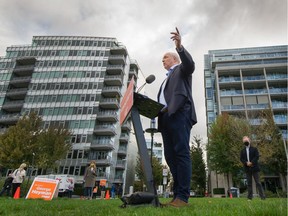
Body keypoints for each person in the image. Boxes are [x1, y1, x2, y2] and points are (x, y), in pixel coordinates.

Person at [157, 27, 197, 207]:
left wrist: (180, 46)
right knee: (170, 157)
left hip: (180, 114)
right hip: (165, 118)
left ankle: (183, 197)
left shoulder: (181, 69)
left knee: (181, 153)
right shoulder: (165, 78)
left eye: (165, 57)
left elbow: (190, 65)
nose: (162, 60)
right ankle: (176, 197)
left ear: (174, 59)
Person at [240, 136, 266, 200]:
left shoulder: (254, 149)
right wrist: (246, 163)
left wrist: (251, 162)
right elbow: (241, 159)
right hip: (247, 168)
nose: (246, 142)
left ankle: (262, 197)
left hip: (254, 168)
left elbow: (257, 157)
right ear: (243, 142)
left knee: (258, 183)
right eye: (244, 141)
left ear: (249, 141)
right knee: (249, 183)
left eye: (247, 140)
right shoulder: (242, 151)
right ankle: (249, 197)